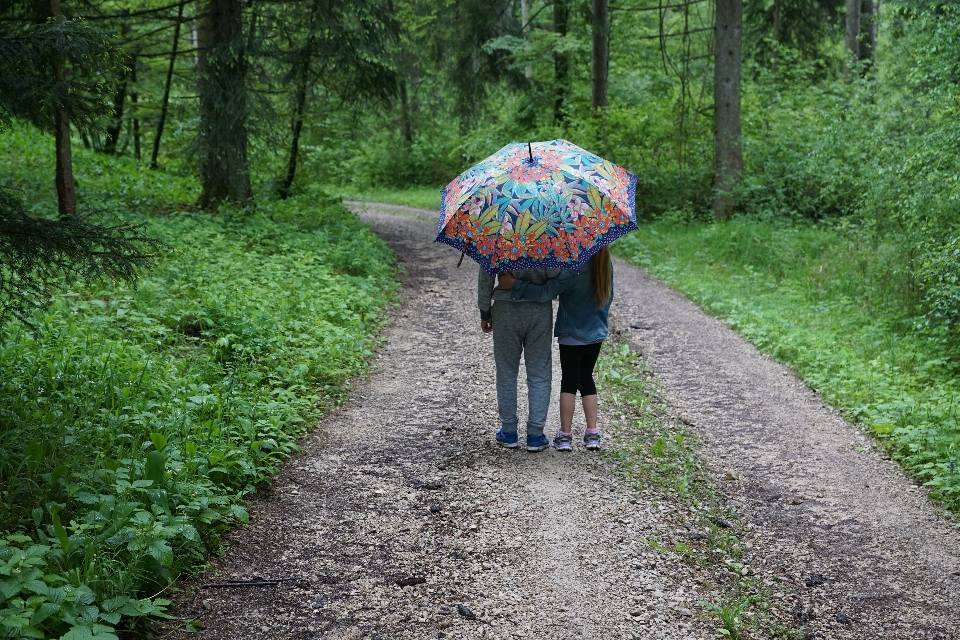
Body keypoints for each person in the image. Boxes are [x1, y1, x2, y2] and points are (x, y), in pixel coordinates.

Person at [496, 246, 613, 452]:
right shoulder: (604, 264)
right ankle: (592, 433)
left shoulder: (571, 265)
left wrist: (515, 285)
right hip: (595, 332)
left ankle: (565, 436)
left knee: (569, 381)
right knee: (586, 378)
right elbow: (608, 297)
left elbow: (546, 292)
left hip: (570, 333)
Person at [478, 265, 561, 452]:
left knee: (506, 370)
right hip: (539, 309)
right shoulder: (547, 238)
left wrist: (484, 311)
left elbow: (485, 277)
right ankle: (535, 434)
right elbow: (555, 273)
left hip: (505, 309)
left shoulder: (495, 238)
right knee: (539, 371)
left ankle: (508, 432)